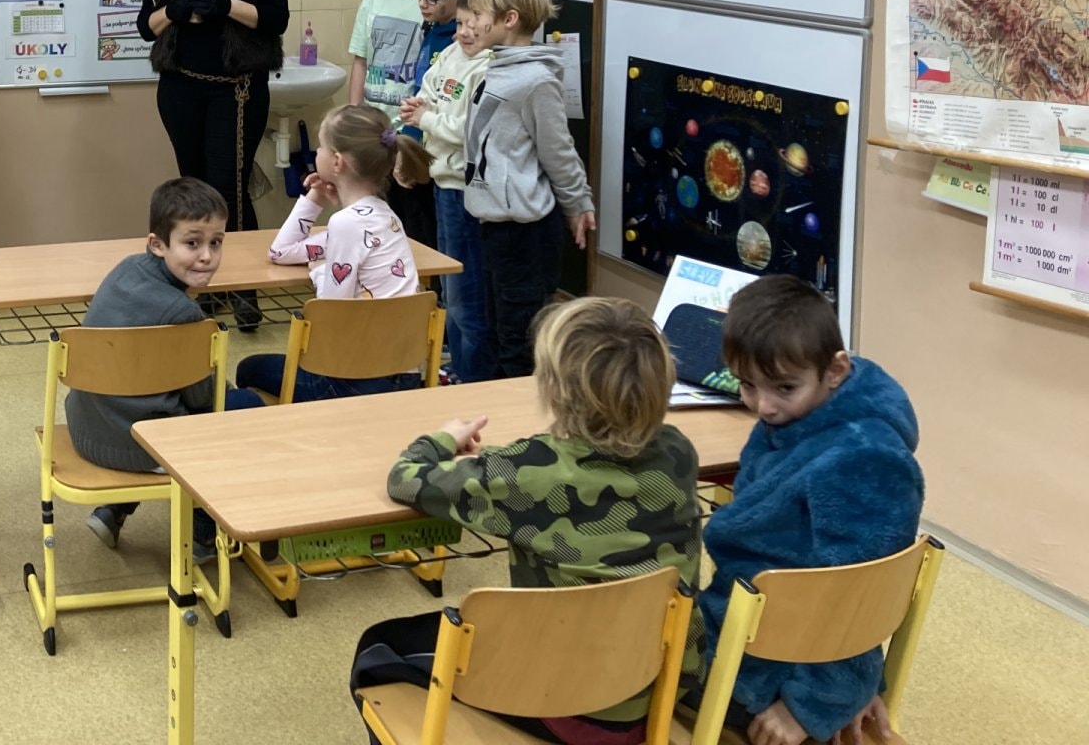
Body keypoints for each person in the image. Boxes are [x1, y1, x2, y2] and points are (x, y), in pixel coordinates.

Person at [350, 297, 701, 745]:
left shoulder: (523, 472)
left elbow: (404, 479)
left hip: (563, 706)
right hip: (657, 686)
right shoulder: (677, 453)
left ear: (553, 391)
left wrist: (442, 438)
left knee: (378, 649)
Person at [700, 276, 923, 745]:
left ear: (835, 370)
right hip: (752, 620)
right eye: (747, 385)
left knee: (624, 675)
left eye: (784, 387)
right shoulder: (801, 414)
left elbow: (862, 592)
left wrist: (816, 704)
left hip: (778, 664)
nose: (764, 406)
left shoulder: (864, 458)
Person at [136, 0, 290, 328]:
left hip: (235, 92)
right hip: (180, 88)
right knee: (194, 190)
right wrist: (175, 10)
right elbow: (147, 27)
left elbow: (276, 19)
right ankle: (201, 288)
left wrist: (226, 6)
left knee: (229, 191)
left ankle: (243, 289)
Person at [67, 178, 227, 557]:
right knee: (242, 409)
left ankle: (112, 510)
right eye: (193, 243)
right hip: (142, 448)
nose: (207, 256)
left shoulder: (126, 269)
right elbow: (202, 399)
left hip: (89, 430)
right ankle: (203, 534)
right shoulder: (183, 314)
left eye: (216, 242)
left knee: (139, 393)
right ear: (158, 244)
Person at [229, 105, 429, 408]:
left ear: (336, 161)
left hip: (353, 381)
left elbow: (331, 314)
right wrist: (316, 199)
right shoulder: (386, 216)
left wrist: (320, 270)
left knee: (249, 369)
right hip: (405, 375)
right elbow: (280, 252)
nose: (317, 152)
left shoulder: (346, 224)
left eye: (321, 146)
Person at [460, 0, 595, 378]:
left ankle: (523, 415)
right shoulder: (494, 69)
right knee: (497, 331)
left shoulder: (535, 81)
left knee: (519, 343)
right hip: (493, 226)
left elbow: (558, 151)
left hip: (525, 232)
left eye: (479, 14)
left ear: (509, 19)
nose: (471, 23)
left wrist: (577, 203)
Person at [399, 0, 495, 383]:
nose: (464, 32)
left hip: (464, 190)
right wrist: (420, 107)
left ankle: (472, 378)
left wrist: (427, 119)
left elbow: (471, 131)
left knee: (466, 290)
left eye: (474, 24)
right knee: (451, 285)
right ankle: (457, 364)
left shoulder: (490, 67)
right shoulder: (452, 54)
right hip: (442, 182)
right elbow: (431, 91)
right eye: (460, 23)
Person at [349, 0, 447, 253]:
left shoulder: (435, 5)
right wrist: (354, 119)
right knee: (376, 228)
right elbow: (360, 62)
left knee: (416, 230)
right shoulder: (374, 0)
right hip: (376, 135)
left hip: (415, 139)